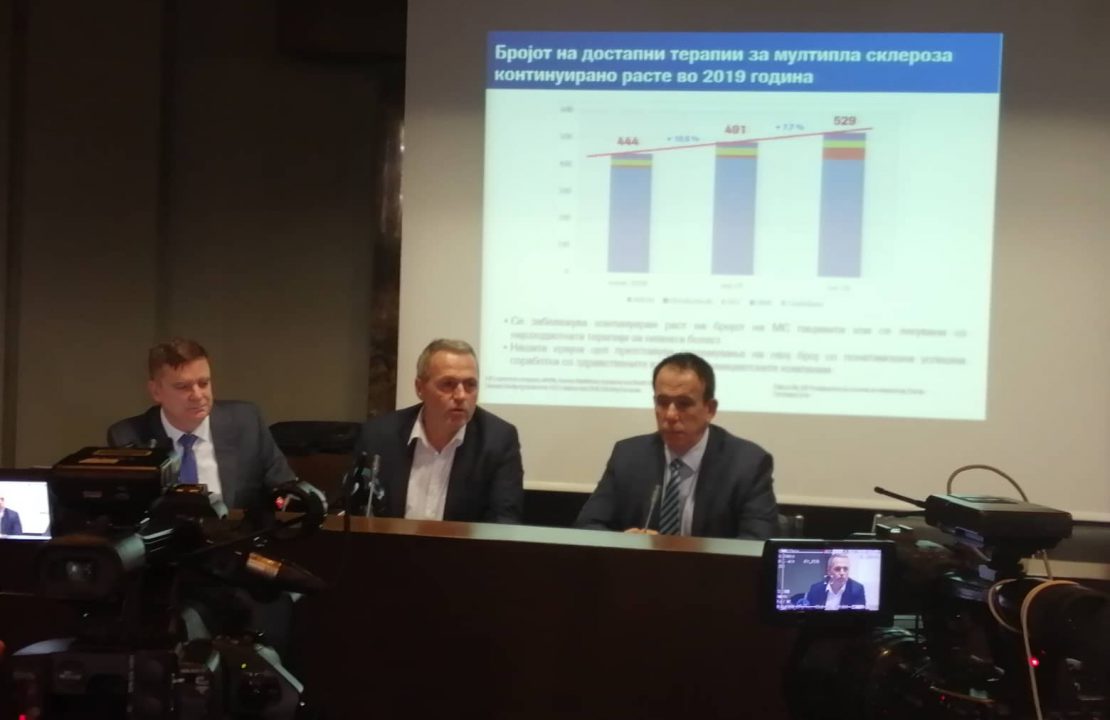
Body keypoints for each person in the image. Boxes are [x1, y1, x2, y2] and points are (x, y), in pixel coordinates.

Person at [575, 352, 777, 539]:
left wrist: (686, 554)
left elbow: (758, 543)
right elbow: (587, 526)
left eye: (684, 404)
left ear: (710, 409)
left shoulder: (747, 465)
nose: (670, 415)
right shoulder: (628, 456)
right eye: (662, 402)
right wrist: (623, 542)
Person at [107, 338, 295, 514]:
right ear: (156, 391)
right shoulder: (128, 436)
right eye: (183, 387)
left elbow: (284, 488)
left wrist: (284, 502)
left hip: (237, 535)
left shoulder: (246, 421)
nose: (198, 395)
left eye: (204, 383)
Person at [354, 339, 523, 523]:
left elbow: (503, 522)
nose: (461, 395)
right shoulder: (379, 435)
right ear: (420, 388)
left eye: (470, 385)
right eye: (448, 384)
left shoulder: (498, 441)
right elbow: (357, 512)